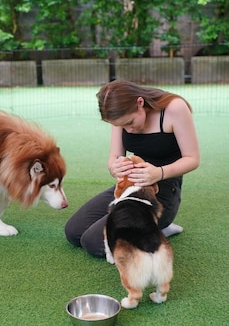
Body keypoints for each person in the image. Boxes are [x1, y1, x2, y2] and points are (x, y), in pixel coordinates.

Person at [64, 79, 200, 258]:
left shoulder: (174, 108)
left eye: (130, 122)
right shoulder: (118, 115)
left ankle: (159, 228)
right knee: (74, 233)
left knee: (93, 243)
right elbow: (115, 156)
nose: (129, 129)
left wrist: (158, 173)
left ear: (140, 103)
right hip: (130, 186)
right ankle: (150, 230)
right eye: (123, 126)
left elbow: (193, 159)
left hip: (162, 193)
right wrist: (115, 167)